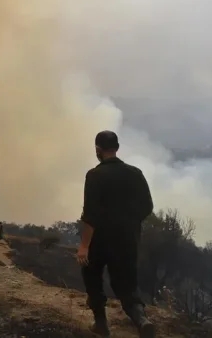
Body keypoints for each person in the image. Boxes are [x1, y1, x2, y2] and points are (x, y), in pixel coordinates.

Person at [77, 130, 155, 337]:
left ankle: (101, 324)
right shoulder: (135, 173)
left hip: (100, 240)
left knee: (92, 276)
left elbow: (90, 214)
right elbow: (147, 206)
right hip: (127, 240)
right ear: (117, 148)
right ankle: (141, 320)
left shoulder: (94, 175)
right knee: (127, 284)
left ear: (98, 150)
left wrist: (84, 246)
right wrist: (129, 224)